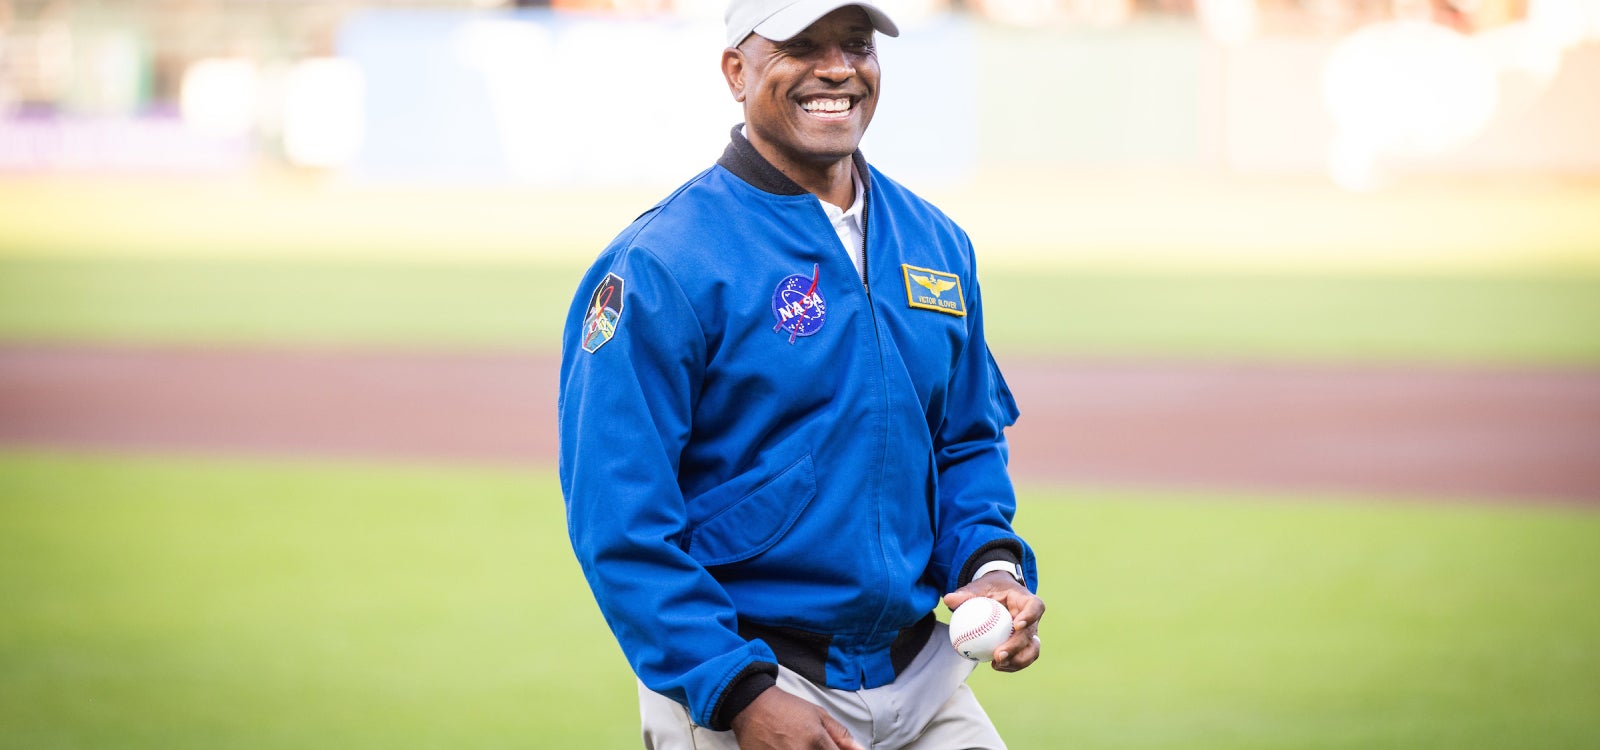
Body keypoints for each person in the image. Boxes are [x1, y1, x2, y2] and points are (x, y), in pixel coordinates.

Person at [557, 0, 1044, 746]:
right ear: (735, 71)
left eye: (856, 44)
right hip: (753, 682)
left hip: (922, 676)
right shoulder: (661, 264)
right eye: (801, 45)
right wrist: (737, 691)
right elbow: (618, 518)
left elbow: (966, 442)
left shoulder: (936, 241)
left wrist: (992, 565)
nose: (837, 69)